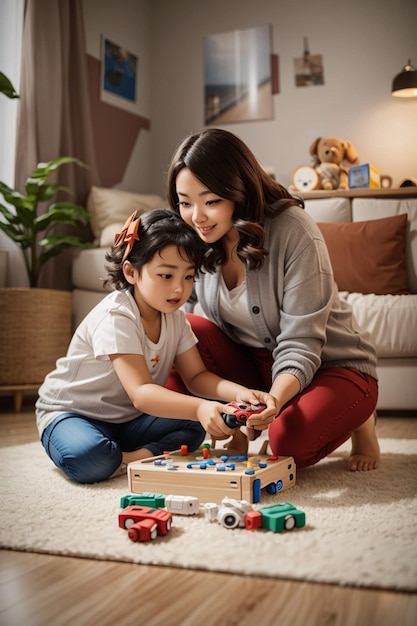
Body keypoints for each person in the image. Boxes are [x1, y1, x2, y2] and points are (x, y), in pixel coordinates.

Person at [165, 128, 380, 472]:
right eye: (185, 202)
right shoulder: (196, 237)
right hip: (257, 368)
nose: (197, 217)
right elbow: (181, 320)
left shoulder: (293, 229)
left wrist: (275, 402)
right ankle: (246, 425)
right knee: (182, 329)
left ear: (238, 191)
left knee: (286, 445)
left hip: (330, 365)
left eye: (210, 201)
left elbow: (301, 341)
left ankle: (362, 418)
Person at [35, 209, 276, 484]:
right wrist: (200, 407)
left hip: (128, 421)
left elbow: (197, 377)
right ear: (131, 272)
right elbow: (141, 393)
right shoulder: (116, 316)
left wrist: (240, 394)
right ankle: (123, 456)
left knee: (194, 427)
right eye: (166, 276)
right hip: (73, 413)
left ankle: (124, 456)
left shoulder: (175, 317)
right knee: (90, 458)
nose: (179, 289)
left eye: (188, 277)